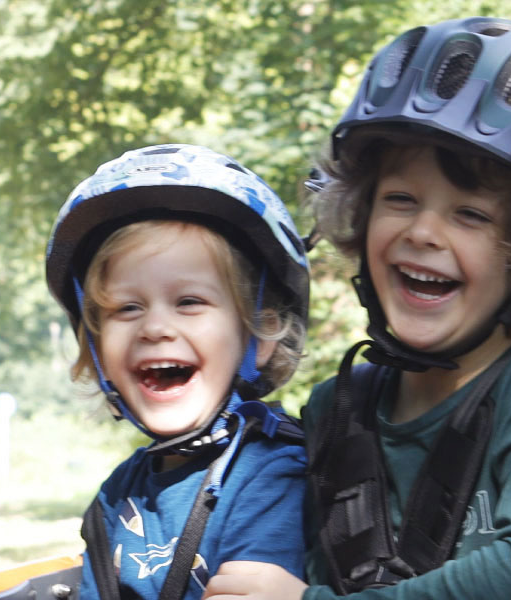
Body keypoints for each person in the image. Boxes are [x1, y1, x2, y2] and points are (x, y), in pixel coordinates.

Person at [204, 16, 511, 600]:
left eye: (471, 214)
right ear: (360, 218)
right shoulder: (340, 409)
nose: (424, 231)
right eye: (400, 200)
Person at [44, 144, 312, 600]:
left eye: (189, 302)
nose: (155, 327)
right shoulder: (119, 493)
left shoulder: (271, 473)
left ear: (261, 334)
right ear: (96, 348)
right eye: (127, 308)